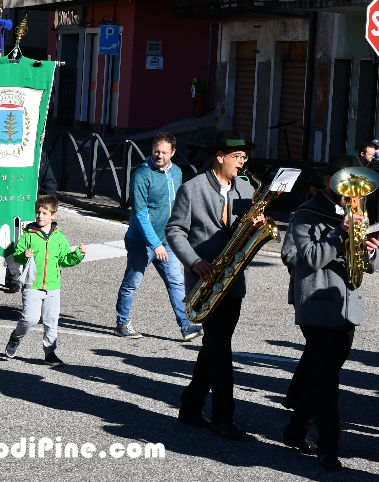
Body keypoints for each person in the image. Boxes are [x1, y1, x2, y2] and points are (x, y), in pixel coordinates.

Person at [282, 154, 379, 470]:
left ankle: (295, 430)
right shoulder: (306, 214)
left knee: (323, 373)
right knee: (327, 379)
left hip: (346, 307)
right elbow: (309, 257)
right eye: (344, 183)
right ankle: (328, 446)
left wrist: (371, 250)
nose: (352, 192)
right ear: (328, 181)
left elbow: (368, 268)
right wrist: (341, 234)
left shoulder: (357, 211)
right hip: (316, 307)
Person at [165, 130, 265, 439]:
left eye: (245, 157)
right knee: (220, 349)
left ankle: (190, 407)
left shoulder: (247, 188)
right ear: (220, 156)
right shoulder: (192, 189)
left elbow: (244, 230)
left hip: (232, 280)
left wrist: (256, 225)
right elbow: (175, 230)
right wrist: (194, 261)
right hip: (205, 281)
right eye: (238, 157)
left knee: (213, 346)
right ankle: (223, 417)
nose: (242, 162)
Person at [113, 133, 201, 341]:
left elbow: (180, 205)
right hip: (141, 241)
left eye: (164, 152)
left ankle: (186, 325)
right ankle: (122, 323)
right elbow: (140, 214)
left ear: (173, 153)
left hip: (167, 240)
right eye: (156, 151)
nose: (159, 155)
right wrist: (154, 244)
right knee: (132, 282)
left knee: (176, 282)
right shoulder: (142, 175)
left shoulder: (177, 172)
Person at [5, 195, 86, 366]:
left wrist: (78, 255)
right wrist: (23, 255)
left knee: (51, 321)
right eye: (38, 212)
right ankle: (16, 337)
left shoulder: (59, 238)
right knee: (30, 318)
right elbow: (17, 255)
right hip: (32, 285)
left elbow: (65, 259)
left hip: (52, 286)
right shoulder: (29, 235)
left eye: (44, 213)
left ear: (53, 215)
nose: (40, 216)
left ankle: (50, 352)